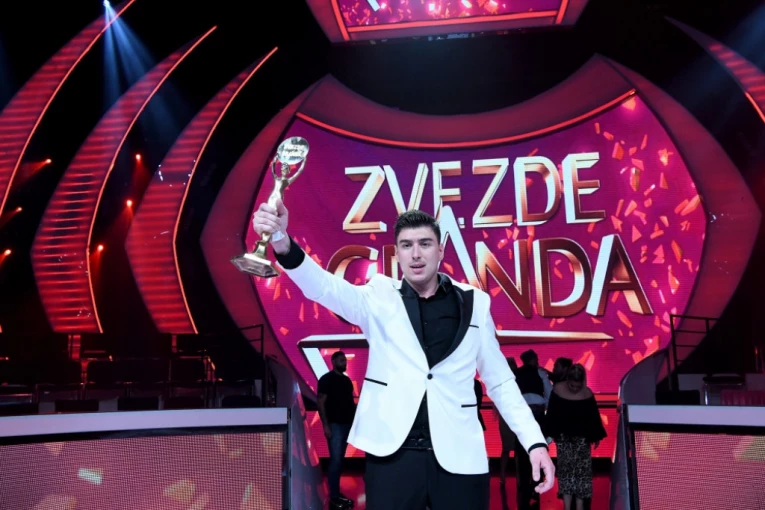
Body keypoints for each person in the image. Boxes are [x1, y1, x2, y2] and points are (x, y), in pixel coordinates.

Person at [253, 202, 555, 510]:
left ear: (440, 250)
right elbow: (323, 287)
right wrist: (281, 241)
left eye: (425, 244)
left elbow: (500, 381)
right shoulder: (379, 296)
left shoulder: (475, 303)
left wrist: (534, 442)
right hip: (393, 456)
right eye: (407, 245)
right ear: (397, 253)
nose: (416, 254)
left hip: (460, 453)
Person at [544, 364, 607, 510]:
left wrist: (595, 436)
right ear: (567, 380)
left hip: (582, 442)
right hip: (564, 440)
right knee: (566, 474)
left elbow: (593, 418)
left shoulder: (587, 394)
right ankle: (567, 507)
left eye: (578, 386)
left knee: (582, 475)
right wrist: (549, 435)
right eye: (572, 386)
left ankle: (579, 506)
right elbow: (552, 414)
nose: (574, 389)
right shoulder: (558, 390)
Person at [317, 351, 356, 509]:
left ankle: (336, 493)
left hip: (347, 425)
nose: (344, 363)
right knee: (336, 460)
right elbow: (320, 402)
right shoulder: (326, 379)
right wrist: (325, 425)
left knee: (339, 460)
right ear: (333, 362)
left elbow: (350, 404)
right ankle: (333, 496)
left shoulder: (346, 381)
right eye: (341, 360)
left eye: (345, 360)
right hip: (334, 425)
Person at [514, 349, 552, 510]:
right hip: (537, 412)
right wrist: (546, 409)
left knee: (522, 450)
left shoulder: (516, 374)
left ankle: (523, 485)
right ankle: (536, 484)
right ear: (533, 359)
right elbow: (549, 393)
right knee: (538, 447)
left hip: (521, 413)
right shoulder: (540, 372)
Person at [497, 357, 518, 486]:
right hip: (506, 416)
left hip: (515, 415)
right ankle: (502, 476)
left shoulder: (518, 380)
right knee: (507, 448)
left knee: (516, 449)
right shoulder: (501, 381)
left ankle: (513, 476)